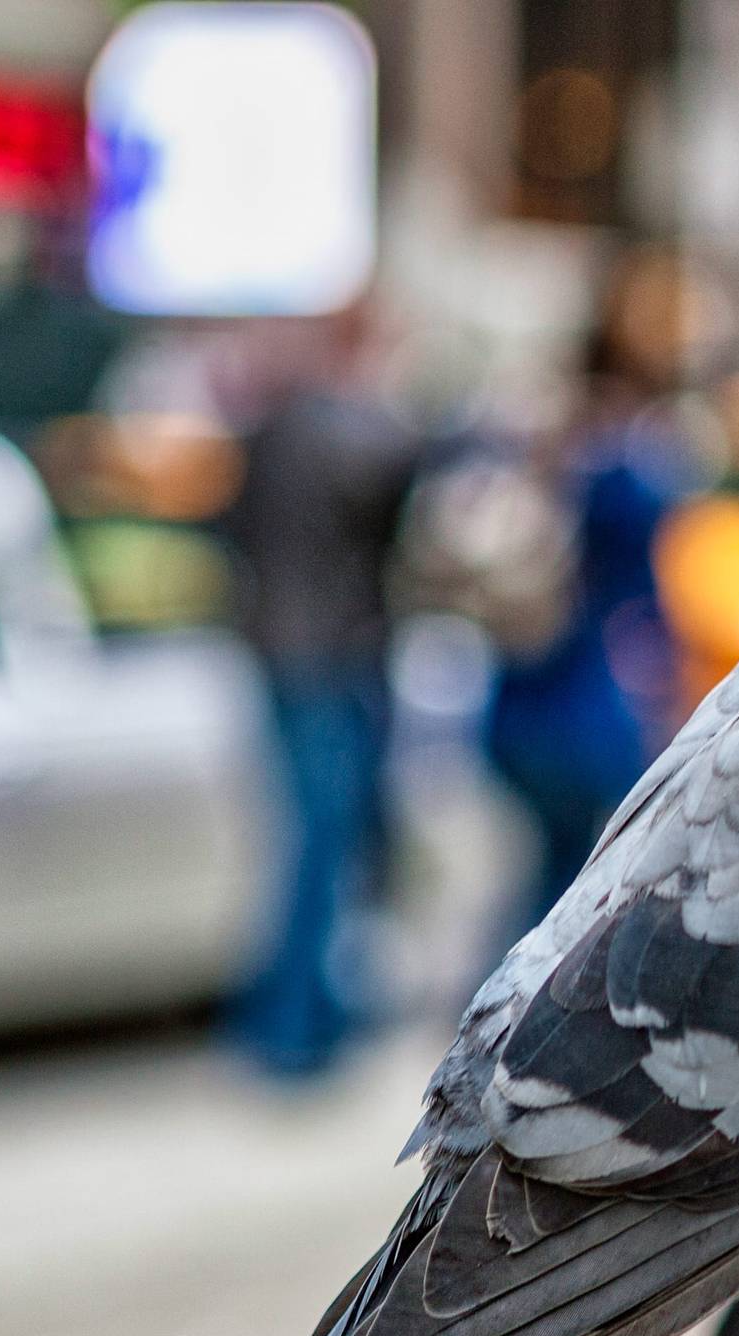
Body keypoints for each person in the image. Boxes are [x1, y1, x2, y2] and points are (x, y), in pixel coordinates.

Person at [215, 310, 419, 1079]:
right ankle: (295, 1031)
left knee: (309, 840)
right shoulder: (342, 430)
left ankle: (304, 1014)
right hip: (328, 657)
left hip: (283, 651)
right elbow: (393, 479)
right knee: (323, 843)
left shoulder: (267, 429)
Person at [484, 249, 698, 932]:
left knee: (551, 870)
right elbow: (642, 575)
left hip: (529, 686)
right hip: (586, 694)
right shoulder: (632, 450)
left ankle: (499, 1008)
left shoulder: (555, 435)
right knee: (570, 881)